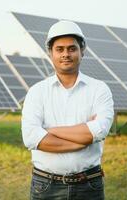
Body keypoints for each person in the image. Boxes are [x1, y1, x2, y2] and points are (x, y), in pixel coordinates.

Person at [21, 20, 114, 200]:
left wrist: (49, 132)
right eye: (60, 49)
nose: (66, 54)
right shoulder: (36, 92)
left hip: (89, 184)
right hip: (46, 186)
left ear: (82, 51)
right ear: (50, 53)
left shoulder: (99, 89)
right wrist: (83, 139)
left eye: (72, 48)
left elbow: (100, 129)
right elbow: (31, 137)